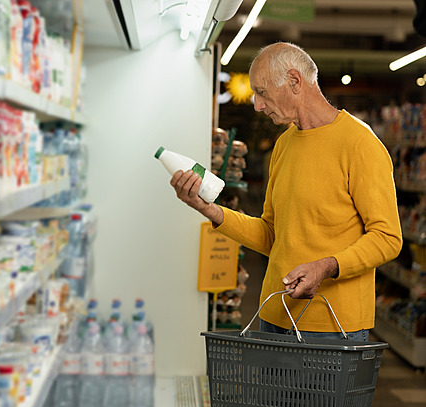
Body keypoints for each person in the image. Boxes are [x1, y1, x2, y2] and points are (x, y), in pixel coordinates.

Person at [170, 42, 402, 341]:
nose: (256, 104)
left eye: (262, 92)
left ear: (294, 81)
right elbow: (272, 234)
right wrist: (208, 209)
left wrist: (328, 266)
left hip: (333, 327)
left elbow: (388, 237)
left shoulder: (360, 144)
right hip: (274, 315)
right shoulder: (284, 145)